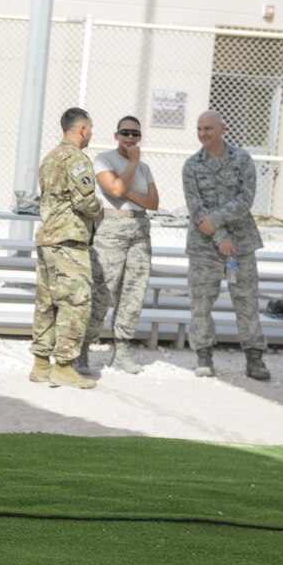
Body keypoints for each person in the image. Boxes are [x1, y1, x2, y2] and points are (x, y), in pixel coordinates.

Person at [181, 109, 270, 380]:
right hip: (204, 246)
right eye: (199, 129)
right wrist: (220, 238)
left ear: (223, 128)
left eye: (208, 128)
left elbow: (246, 200)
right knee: (201, 303)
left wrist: (217, 221)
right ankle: (204, 355)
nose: (203, 134)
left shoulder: (242, 159)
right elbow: (196, 208)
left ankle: (254, 357)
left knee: (246, 302)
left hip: (241, 244)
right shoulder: (191, 166)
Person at [29, 107, 103, 389]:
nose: (91, 134)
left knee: (46, 302)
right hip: (68, 242)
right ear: (82, 128)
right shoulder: (76, 159)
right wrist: (100, 211)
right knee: (75, 302)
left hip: (47, 240)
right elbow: (85, 201)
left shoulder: (49, 158)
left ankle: (40, 364)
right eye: (91, 129)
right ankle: (64, 366)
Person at [80, 116, 159, 374]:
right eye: (125, 132)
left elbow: (153, 203)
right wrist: (132, 165)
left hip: (139, 231)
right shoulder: (104, 159)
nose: (130, 138)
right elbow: (113, 190)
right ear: (116, 135)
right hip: (111, 231)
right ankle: (83, 351)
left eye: (135, 134)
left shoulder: (145, 168)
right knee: (102, 291)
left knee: (133, 293)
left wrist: (127, 190)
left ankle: (122, 352)